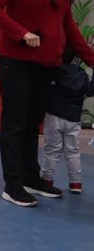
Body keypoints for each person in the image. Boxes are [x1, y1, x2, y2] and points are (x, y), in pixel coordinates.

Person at [0, 0, 94, 207]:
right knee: (15, 125)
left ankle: (31, 179)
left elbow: (70, 28)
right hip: (17, 64)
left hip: (46, 66)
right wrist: (21, 33)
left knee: (33, 125)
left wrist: (92, 60)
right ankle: (13, 185)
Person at [41, 49, 94, 195]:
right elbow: (90, 90)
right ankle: (76, 183)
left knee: (52, 150)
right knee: (73, 151)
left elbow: (46, 90)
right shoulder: (82, 74)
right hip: (74, 119)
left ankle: (47, 180)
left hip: (55, 116)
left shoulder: (55, 72)